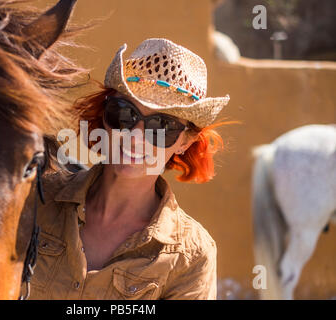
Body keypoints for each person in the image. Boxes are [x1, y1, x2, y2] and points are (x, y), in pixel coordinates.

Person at [31, 38, 231, 300]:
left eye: (161, 127)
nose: (136, 138)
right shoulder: (36, 199)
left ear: (185, 141)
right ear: (105, 115)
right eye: (125, 114)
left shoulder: (191, 256)